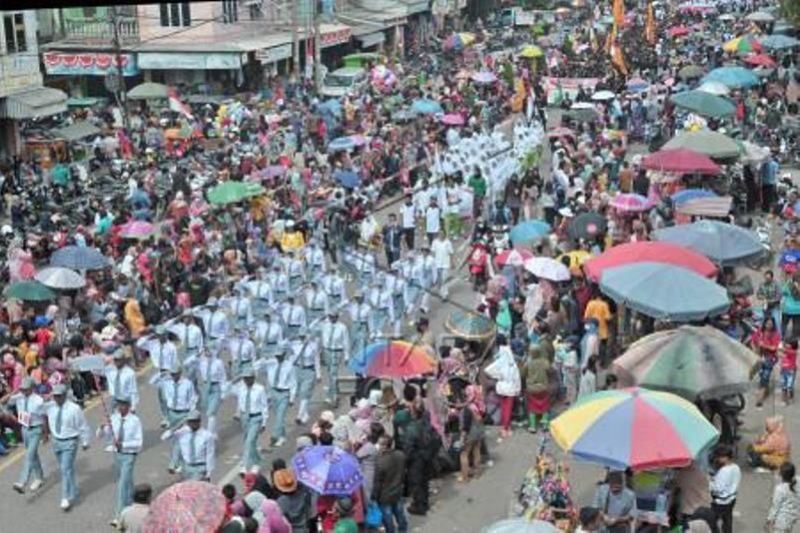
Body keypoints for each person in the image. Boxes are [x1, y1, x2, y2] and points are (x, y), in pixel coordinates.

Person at [46, 383, 91, 511]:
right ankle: (74, 489)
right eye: (55, 396)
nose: (57, 398)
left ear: (65, 395)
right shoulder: (50, 407)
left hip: (70, 442)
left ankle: (65, 497)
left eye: (59, 396)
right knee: (66, 468)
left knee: (65, 469)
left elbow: (83, 425)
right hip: (56, 441)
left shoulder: (74, 409)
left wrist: (85, 441)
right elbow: (35, 407)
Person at [99, 396, 143, 528]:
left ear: (129, 406)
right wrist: (102, 427)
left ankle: (119, 516)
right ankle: (134, 504)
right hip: (117, 455)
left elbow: (139, 443)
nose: (121, 407)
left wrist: (123, 444)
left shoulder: (135, 421)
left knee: (122, 484)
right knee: (127, 482)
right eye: (119, 405)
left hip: (129, 455)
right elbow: (103, 436)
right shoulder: (114, 418)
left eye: (124, 405)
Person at [227, 367, 269, 474]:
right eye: (245, 378)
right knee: (249, 442)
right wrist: (234, 379)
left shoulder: (260, 389)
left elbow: (264, 406)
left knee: (249, 441)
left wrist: (264, 422)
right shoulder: (240, 388)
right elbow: (228, 389)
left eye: (249, 378)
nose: (246, 380)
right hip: (245, 417)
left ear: (254, 378)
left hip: (256, 417)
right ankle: (257, 461)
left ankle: (245, 466)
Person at [8, 376, 44, 494]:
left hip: (35, 430)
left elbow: (44, 417)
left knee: (29, 455)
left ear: (32, 388)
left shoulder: (38, 400)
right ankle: (39, 478)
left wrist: (46, 433)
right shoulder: (19, 397)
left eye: (26, 388)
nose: (23, 390)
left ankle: (22, 482)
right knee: (33, 455)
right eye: (22, 388)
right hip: (25, 430)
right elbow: (4, 402)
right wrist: (15, 391)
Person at [484, 336, 521, 440]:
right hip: (510, 387)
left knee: (504, 407)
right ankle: (506, 428)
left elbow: (489, 370)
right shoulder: (510, 358)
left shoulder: (499, 356)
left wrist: (498, 376)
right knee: (508, 408)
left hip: (501, 386)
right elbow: (515, 375)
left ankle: (505, 427)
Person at [373, 433, 408, 533]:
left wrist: (374, 496)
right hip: (397, 491)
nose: (378, 446)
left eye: (380, 444)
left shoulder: (381, 462)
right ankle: (403, 530)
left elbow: (377, 482)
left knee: (388, 519)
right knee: (400, 514)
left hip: (385, 495)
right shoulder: (401, 455)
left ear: (384, 446)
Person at [168, 409, 215, 481]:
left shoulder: (207, 436)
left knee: (195, 489)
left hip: (200, 468)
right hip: (186, 467)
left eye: (194, 421)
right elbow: (164, 437)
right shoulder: (183, 433)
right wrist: (178, 426)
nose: (192, 424)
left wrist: (209, 473)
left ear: (199, 421)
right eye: (190, 421)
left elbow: (210, 454)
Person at [519, 344, 552, 433]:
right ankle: (545, 425)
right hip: (544, 388)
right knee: (545, 407)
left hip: (531, 389)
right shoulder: (545, 362)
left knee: (532, 408)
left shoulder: (528, 363)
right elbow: (550, 372)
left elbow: (522, 374)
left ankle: (533, 426)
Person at [710, 444, 741, 533]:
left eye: (719, 457)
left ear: (726, 457)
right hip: (731, 498)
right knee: (727, 520)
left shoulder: (724, 471)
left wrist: (710, 482)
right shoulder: (736, 467)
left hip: (720, 502)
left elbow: (718, 488)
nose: (717, 459)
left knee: (712, 521)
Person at [457, 384, 485, 482]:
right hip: (479, 432)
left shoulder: (467, 409)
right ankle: (477, 472)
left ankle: (465, 477)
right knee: (476, 451)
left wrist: (462, 438)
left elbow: (465, 426)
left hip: (470, 434)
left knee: (464, 454)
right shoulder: (479, 405)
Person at [752, 316, 781, 407]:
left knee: (765, 376)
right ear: (764, 323)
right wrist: (755, 350)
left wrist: (764, 345)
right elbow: (753, 340)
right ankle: (766, 388)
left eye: (771, 324)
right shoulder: (760, 332)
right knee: (761, 374)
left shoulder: (776, 334)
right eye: (767, 323)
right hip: (760, 358)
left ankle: (759, 399)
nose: (769, 325)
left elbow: (775, 348)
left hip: (770, 358)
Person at [275, 468, 314, 533]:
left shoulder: (281, 501)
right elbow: (309, 509)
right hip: (306, 528)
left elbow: (281, 521)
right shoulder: (303, 494)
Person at [767, 462, 800, 533]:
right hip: (793, 519)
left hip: (781, 521)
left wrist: (770, 520)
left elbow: (775, 506)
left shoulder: (780, 489)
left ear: (781, 475)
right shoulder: (798, 482)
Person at [781, 339, 798, 406]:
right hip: (784, 370)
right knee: (784, 386)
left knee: (789, 386)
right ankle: (784, 400)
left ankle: (790, 396)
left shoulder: (793, 351)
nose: (786, 345)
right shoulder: (786, 350)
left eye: (788, 344)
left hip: (791, 371)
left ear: (792, 345)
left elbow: (784, 350)